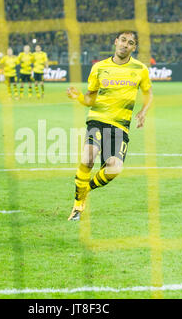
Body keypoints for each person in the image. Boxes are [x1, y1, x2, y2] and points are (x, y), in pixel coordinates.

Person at [66, 31, 153, 221]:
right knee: (88, 157)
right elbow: (90, 98)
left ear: (134, 47)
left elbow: (148, 93)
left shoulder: (140, 69)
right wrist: (78, 97)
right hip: (97, 120)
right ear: (116, 42)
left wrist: (144, 111)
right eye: (123, 40)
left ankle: (84, 189)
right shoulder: (99, 67)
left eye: (130, 43)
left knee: (114, 167)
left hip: (120, 126)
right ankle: (78, 206)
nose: (125, 45)